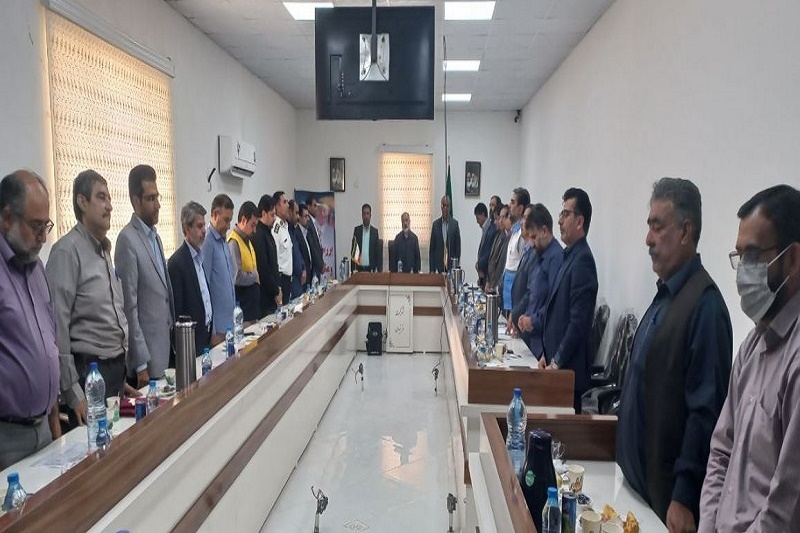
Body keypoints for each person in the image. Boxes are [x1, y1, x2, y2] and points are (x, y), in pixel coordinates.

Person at [616, 178, 733, 530]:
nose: (648, 239)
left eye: (658, 227)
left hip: (667, 504)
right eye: (648, 226)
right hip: (636, 489)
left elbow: (705, 413)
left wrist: (684, 496)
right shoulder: (665, 295)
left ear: (685, 231)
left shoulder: (705, 307)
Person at [700, 185, 800, 533]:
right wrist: (708, 526)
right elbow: (721, 452)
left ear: (793, 258)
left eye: (754, 255)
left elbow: (786, 507)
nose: (743, 271)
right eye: (739, 256)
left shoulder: (796, 361)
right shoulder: (752, 347)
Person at [47, 170, 128, 427]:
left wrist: (121, 375)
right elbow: (57, 326)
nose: (110, 206)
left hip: (115, 372)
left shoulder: (104, 251)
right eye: (101, 197)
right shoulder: (66, 251)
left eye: (109, 198)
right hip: (88, 379)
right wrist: (73, 393)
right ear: (82, 202)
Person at [0, 170, 60, 468]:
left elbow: (50, 343)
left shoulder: (37, 269)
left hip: (44, 428)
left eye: (46, 225)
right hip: (7, 438)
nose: (43, 237)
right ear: (7, 218)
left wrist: (54, 420)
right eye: (36, 226)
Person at [541, 188, 598, 413]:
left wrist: (557, 361)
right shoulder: (570, 255)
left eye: (565, 214)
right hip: (556, 367)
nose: (559, 220)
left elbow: (578, 322)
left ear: (580, 221)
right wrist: (547, 354)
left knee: (561, 432)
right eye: (561, 214)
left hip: (567, 374)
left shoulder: (583, 261)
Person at [115, 165, 174, 387]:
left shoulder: (155, 237)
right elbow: (129, 307)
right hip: (146, 364)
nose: (157, 205)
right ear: (135, 201)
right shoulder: (127, 240)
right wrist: (140, 364)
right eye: (150, 198)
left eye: (157, 197)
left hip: (165, 352)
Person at [168, 201, 213, 358]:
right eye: (199, 226)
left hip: (206, 336)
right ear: (187, 229)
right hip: (190, 343)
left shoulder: (199, 257)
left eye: (204, 226)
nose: (204, 231)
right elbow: (178, 312)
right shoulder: (176, 263)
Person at [517, 204, 563, 358]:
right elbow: (535, 294)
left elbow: (554, 305)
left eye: (533, 237)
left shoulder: (556, 258)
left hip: (544, 345)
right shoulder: (540, 254)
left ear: (544, 231)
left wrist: (533, 321)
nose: (531, 243)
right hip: (534, 339)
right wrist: (525, 316)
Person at [202, 194, 235, 343]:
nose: (228, 226)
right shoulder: (207, 242)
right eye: (226, 220)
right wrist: (212, 331)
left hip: (230, 324)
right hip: (218, 330)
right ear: (215, 215)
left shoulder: (223, 241)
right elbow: (205, 288)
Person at [228, 201, 261, 322]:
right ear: (243, 220)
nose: (255, 230)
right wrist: (254, 276)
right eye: (253, 225)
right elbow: (236, 277)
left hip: (252, 310)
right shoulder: (233, 242)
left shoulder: (247, 240)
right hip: (243, 312)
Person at [509, 205, 536, 341]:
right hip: (519, 318)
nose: (521, 222)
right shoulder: (527, 249)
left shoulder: (535, 253)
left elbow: (530, 291)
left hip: (526, 321)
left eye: (525, 218)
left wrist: (516, 314)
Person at [502, 187, 530, 314]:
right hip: (507, 294)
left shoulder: (522, 236)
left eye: (513, 202)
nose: (509, 205)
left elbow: (522, 269)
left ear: (520, 208)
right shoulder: (514, 232)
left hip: (515, 296)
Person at [253, 194, 281, 316]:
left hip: (273, 293)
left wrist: (278, 287)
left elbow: (273, 264)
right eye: (272, 215)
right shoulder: (259, 234)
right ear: (263, 213)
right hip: (265, 298)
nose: (275, 218)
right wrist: (276, 290)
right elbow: (263, 269)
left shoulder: (268, 232)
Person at [429, 195, 461, 273]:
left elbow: (458, 248)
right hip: (438, 267)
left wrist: (456, 267)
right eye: (444, 205)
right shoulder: (435, 225)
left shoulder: (454, 224)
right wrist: (432, 269)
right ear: (441, 207)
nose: (445, 208)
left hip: (451, 267)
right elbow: (432, 249)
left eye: (447, 206)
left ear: (450, 207)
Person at [271, 191, 293, 304]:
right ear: (277, 207)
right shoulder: (276, 227)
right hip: (281, 279)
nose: (288, 205)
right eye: (284, 202)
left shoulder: (285, 226)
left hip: (288, 279)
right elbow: (274, 257)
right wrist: (277, 286)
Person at [486, 204, 510, 297]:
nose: (498, 221)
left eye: (501, 218)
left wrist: (496, 287)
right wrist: (488, 281)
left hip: (500, 287)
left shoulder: (509, 238)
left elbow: (501, 266)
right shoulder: (498, 235)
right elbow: (491, 260)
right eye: (498, 218)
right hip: (492, 284)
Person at [287, 200, 307, 298]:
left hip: (300, 279)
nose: (298, 217)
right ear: (289, 212)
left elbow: (298, 252)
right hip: (292, 280)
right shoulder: (285, 231)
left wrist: (303, 268)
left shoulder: (293, 230)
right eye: (296, 213)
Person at [352, 203, 379, 272]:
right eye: (364, 214)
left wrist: (377, 270)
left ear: (370, 215)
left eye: (367, 213)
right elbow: (354, 252)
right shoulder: (357, 231)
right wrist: (353, 270)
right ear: (362, 215)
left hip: (371, 270)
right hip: (359, 269)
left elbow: (377, 253)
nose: (366, 216)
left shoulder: (375, 232)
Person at [303, 198, 326, 279]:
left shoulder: (313, 222)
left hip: (316, 266)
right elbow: (312, 246)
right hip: (313, 267)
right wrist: (320, 265)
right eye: (315, 206)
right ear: (308, 207)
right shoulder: (308, 223)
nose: (317, 209)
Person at [475, 202, 494, 286]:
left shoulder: (491, 229)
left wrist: (479, 265)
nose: (477, 221)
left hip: (487, 273)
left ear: (483, 214)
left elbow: (489, 252)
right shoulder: (485, 228)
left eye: (478, 218)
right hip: (482, 273)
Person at [297, 203, 317, 285]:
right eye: (305, 216)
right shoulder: (297, 233)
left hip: (310, 274)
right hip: (302, 275)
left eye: (308, 216)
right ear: (299, 217)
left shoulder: (307, 232)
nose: (308, 219)